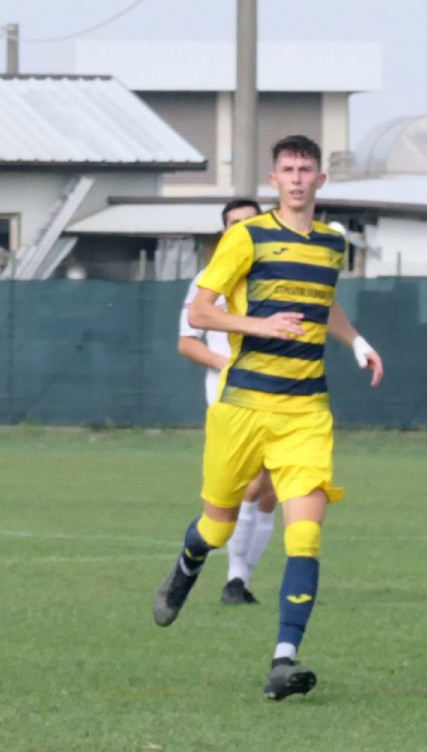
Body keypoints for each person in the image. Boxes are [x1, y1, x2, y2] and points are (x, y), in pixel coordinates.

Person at [152, 134, 384, 700]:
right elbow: (203, 311)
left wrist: (355, 341)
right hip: (242, 406)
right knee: (218, 524)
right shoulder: (245, 237)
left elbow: (324, 302)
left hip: (306, 410)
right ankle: (187, 564)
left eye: (308, 169)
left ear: (321, 180)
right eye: (288, 169)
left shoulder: (333, 243)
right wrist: (260, 326)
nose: (299, 177)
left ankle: (284, 659)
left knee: (304, 534)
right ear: (274, 180)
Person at [177, 198, 275, 606]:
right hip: (231, 395)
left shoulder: (278, 277)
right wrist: (229, 363)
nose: (242, 228)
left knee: (270, 490)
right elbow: (186, 342)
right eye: (234, 223)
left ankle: (241, 580)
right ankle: (233, 579)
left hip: (278, 392)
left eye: (250, 222)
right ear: (224, 232)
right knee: (248, 485)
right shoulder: (209, 280)